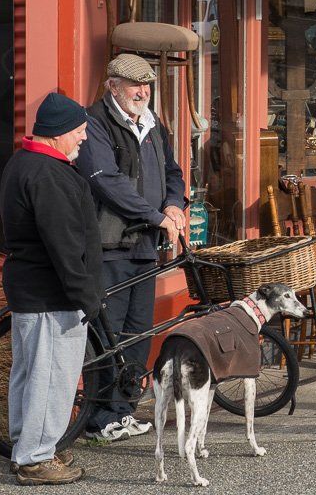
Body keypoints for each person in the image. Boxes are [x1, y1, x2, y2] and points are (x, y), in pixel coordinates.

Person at [77, 53, 188, 441]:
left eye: (147, 85)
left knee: (138, 333)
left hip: (144, 246)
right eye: (134, 86)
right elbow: (107, 182)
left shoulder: (153, 124)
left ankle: (123, 412)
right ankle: (99, 418)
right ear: (112, 86)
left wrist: (174, 204)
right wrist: (157, 217)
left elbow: (173, 172)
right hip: (110, 246)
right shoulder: (95, 123)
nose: (143, 92)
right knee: (108, 336)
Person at [0, 90, 103, 486]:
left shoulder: (24, 163)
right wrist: (86, 295)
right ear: (58, 133)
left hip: (31, 288)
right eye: (78, 131)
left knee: (29, 373)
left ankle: (26, 447)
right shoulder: (48, 174)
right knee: (51, 374)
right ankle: (35, 457)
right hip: (51, 292)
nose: (83, 138)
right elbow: (64, 244)